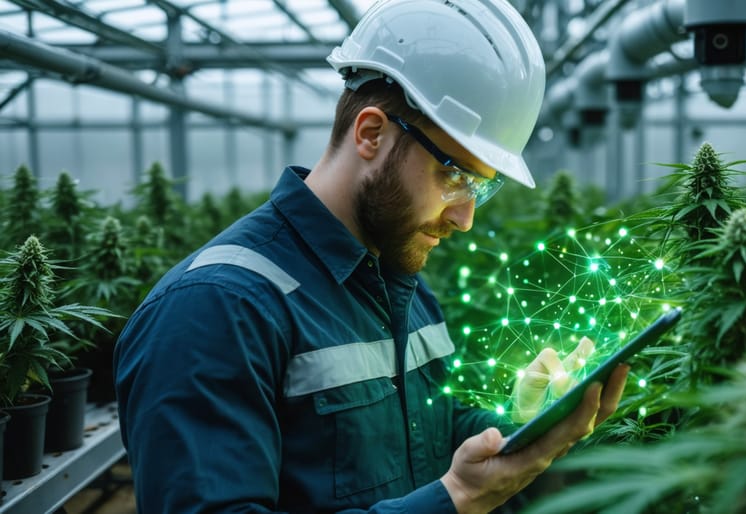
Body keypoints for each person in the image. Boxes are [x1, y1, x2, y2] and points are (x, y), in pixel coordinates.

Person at [113, 0, 630, 512]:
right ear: (371, 134)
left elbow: (429, 439)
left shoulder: (399, 278)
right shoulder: (214, 310)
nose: (464, 217)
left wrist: (524, 426)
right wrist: (460, 500)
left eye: (480, 189)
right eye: (454, 176)